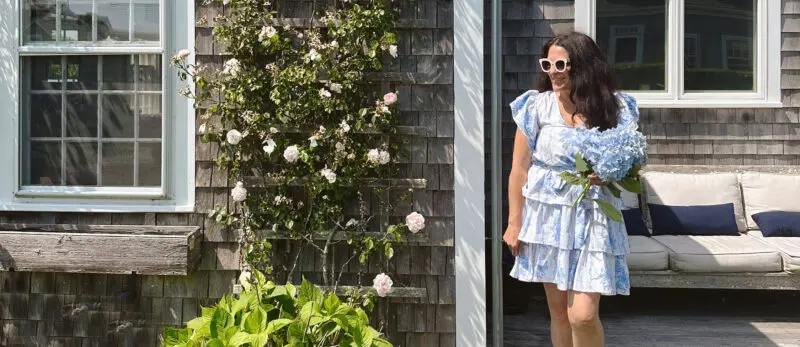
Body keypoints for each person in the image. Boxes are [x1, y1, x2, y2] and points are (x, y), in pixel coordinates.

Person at [503, 31, 640, 347]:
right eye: (548, 64)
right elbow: (519, 170)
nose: (553, 71)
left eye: (561, 64)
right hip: (547, 219)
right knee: (560, 315)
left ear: (583, 66)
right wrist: (514, 222)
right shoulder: (537, 107)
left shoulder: (614, 108)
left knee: (583, 315)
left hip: (594, 217)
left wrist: (610, 173)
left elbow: (630, 160)